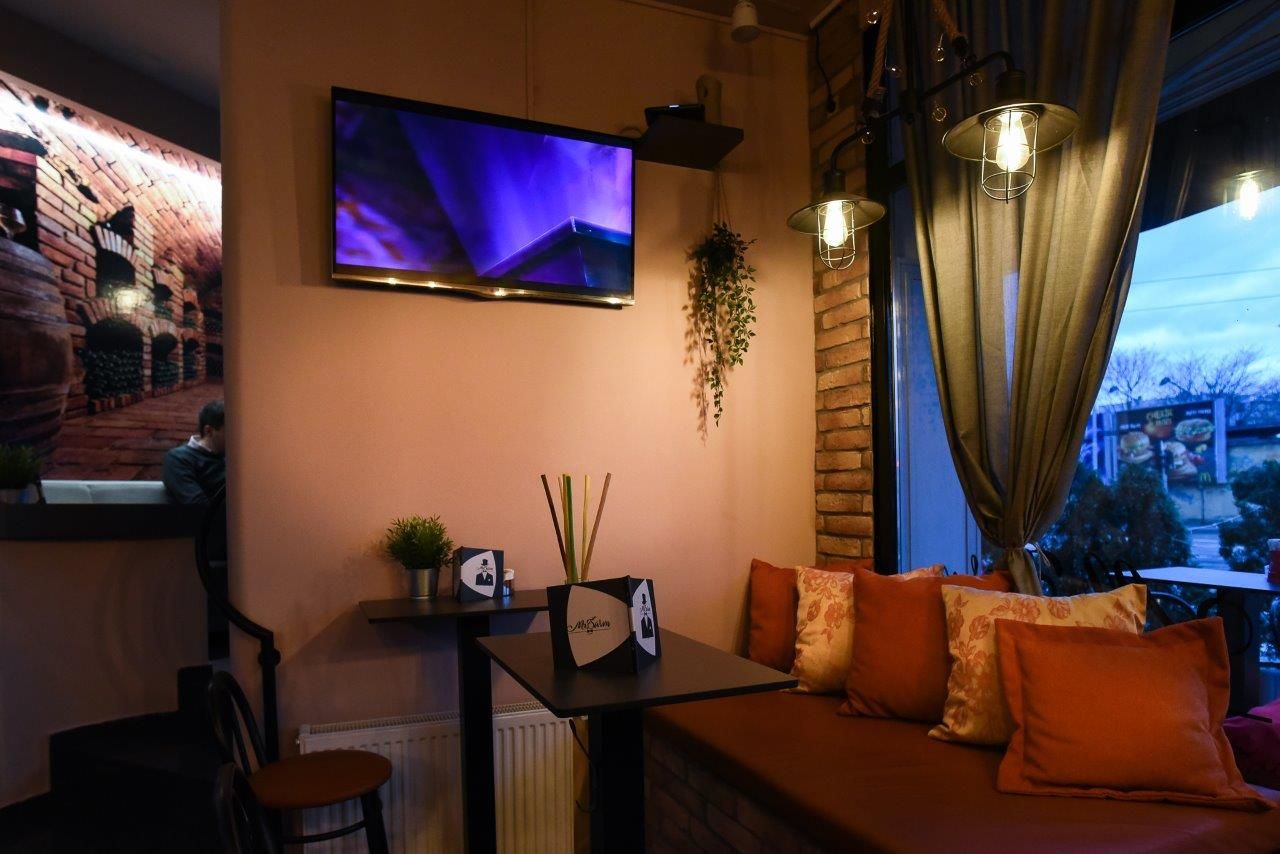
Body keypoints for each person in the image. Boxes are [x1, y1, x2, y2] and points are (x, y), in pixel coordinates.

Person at [163, 399, 226, 505]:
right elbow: (197, 505)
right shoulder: (178, 459)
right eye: (231, 432)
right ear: (209, 431)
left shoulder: (233, 458)